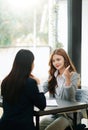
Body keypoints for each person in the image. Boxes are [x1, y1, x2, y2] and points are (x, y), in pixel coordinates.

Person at [0, 49, 46, 130]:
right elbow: (42, 105)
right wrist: (39, 84)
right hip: (23, 127)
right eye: (33, 62)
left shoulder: (5, 81)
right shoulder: (30, 83)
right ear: (29, 64)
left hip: (4, 125)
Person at [40, 48, 80, 130]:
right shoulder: (53, 76)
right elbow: (41, 90)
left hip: (69, 116)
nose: (55, 63)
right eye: (53, 61)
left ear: (65, 60)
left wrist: (67, 79)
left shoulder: (73, 75)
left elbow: (69, 97)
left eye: (58, 59)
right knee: (39, 126)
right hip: (55, 114)